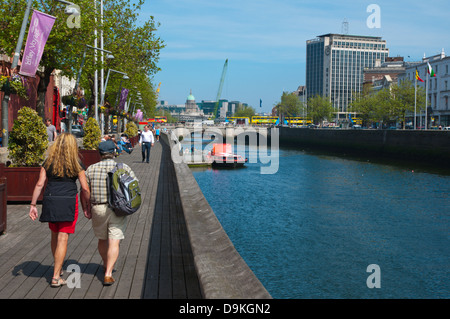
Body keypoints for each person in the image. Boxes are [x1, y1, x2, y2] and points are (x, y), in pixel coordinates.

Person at [29, 133, 90, 287]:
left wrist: (33, 205)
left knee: (54, 235)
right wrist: (88, 205)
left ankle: (58, 268)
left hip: (50, 200)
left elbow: (39, 184)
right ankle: (56, 277)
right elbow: (84, 188)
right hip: (68, 202)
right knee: (63, 238)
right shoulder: (76, 163)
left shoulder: (48, 161)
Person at [85, 140, 138, 286]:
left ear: (100, 153)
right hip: (118, 208)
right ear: (114, 152)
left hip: (98, 208)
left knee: (102, 239)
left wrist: (86, 207)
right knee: (114, 240)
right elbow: (135, 184)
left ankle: (105, 263)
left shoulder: (91, 169)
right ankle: (108, 273)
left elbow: (85, 191)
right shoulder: (123, 167)